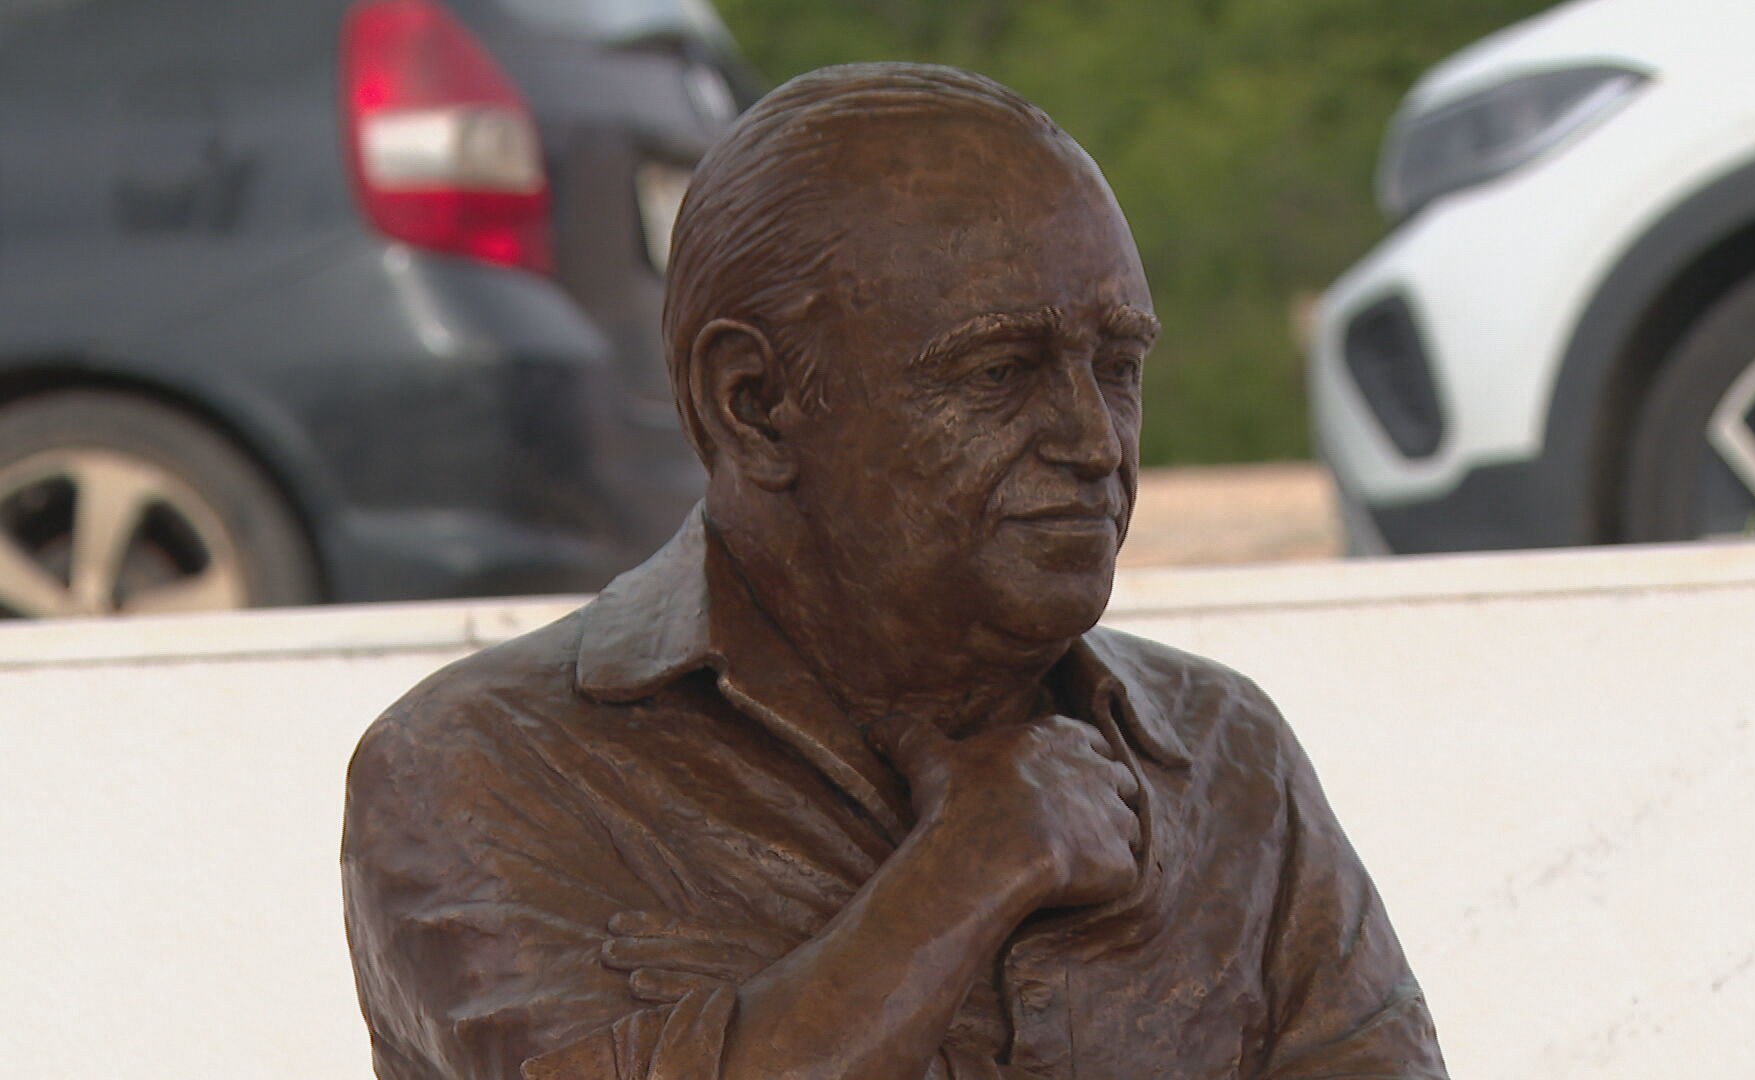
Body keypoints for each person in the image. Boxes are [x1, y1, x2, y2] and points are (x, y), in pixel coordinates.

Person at [342, 62, 1448, 1080]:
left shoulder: (1226, 756)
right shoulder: (485, 768)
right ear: (753, 405)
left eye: (1117, 366)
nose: (1093, 440)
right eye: (1000, 372)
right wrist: (966, 876)